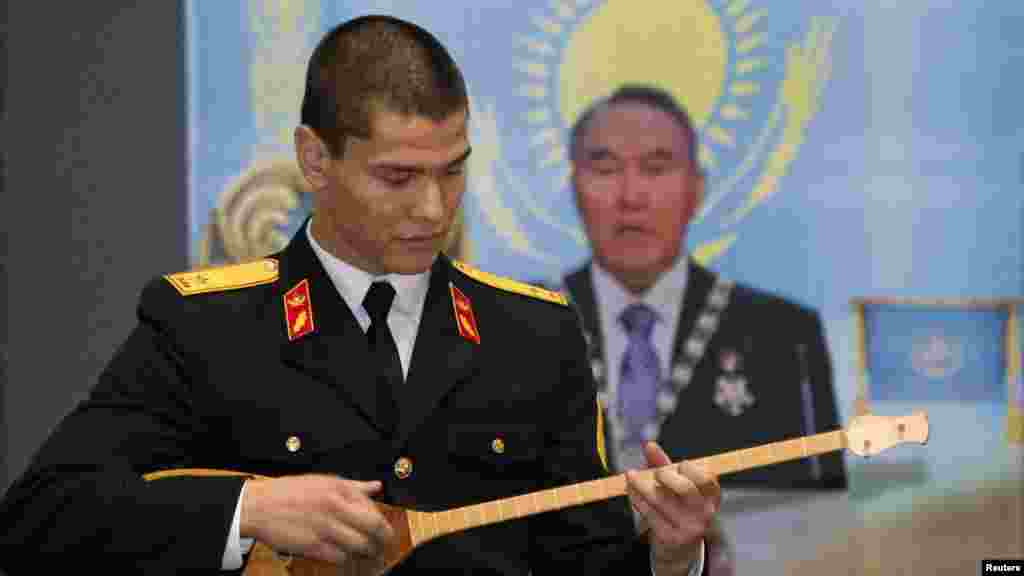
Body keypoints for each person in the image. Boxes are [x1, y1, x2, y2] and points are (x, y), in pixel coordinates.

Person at [0, 17, 719, 575]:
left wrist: (669, 554)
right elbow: (43, 519)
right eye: (398, 177)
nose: (435, 209)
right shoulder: (207, 326)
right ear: (315, 159)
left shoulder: (532, 334)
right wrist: (250, 508)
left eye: (453, 171)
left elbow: (582, 565)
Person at [553, 85, 849, 572]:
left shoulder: (781, 336)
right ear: (574, 188)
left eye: (656, 168)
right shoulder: (513, 325)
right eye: (605, 169)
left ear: (697, 190)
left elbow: (817, 535)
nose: (631, 196)